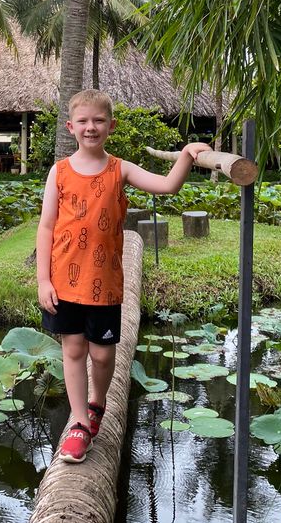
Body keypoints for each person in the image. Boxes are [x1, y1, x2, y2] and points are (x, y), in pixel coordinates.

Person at [36, 89, 211, 464]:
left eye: (98, 120)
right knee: (73, 349)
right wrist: (43, 280)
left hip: (104, 284)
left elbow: (168, 186)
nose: (91, 127)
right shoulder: (60, 172)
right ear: (70, 127)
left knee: (101, 355)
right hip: (64, 281)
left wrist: (186, 155)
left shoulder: (120, 169)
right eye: (82, 121)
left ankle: (97, 401)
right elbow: (46, 226)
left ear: (111, 126)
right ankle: (80, 425)